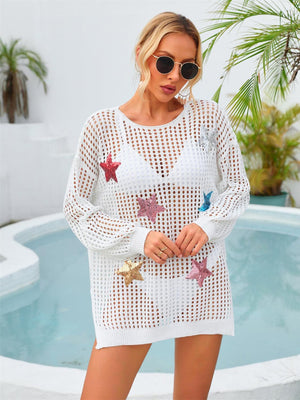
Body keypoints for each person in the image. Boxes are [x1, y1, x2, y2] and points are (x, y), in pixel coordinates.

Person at [63, 11, 250, 400]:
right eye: (164, 62)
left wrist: (208, 225)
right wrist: (137, 237)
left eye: (188, 68)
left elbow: (237, 188)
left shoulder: (209, 117)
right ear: (141, 55)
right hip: (131, 288)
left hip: (202, 282)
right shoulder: (102, 126)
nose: (174, 77)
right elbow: (76, 207)